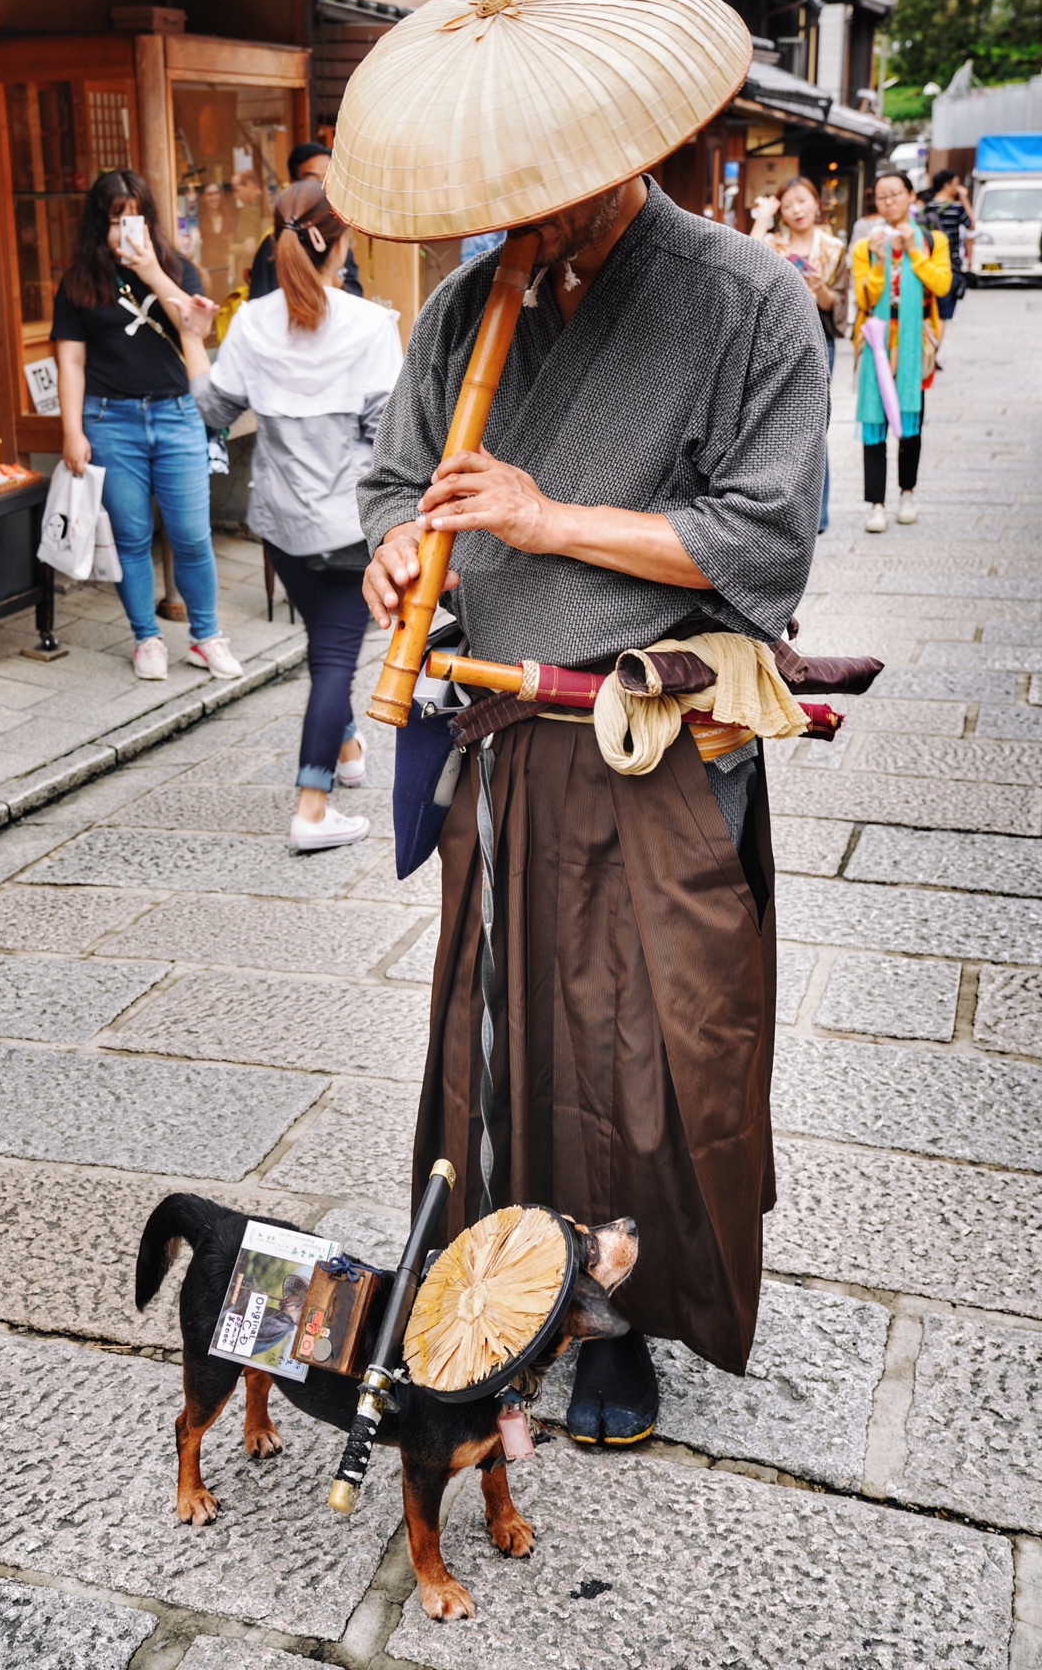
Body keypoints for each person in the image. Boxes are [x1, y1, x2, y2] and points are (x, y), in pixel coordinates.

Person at [358, 156, 827, 1438]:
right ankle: (495, 1281)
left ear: (627, 147)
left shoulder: (744, 297)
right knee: (496, 1024)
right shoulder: (467, 305)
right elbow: (396, 480)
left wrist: (541, 516)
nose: (524, 205)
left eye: (551, 179)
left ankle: (619, 1315)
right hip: (502, 731)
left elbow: (761, 537)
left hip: (650, 732)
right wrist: (398, 550)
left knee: (642, 1048)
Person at [185, 180, 403, 850]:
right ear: (340, 243)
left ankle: (346, 753)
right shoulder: (371, 326)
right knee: (336, 661)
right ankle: (312, 808)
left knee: (325, 650)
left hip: (280, 525)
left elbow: (213, 410)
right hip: (347, 525)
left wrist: (195, 337)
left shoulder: (250, 322)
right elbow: (389, 436)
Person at [52, 169, 243, 683]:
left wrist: (154, 271)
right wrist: (73, 431)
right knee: (133, 536)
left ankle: (206, 637)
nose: (125, 229)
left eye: (134, 217)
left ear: (150, 221)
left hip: (177, 415)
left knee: (191, 535)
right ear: (99, 224)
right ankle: (146, 638)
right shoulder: (77, 283)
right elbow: (69, 362)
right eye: (115, 219)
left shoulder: (179, 270)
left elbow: (195, 328)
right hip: (109, 419)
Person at [851, 167, 952, 533]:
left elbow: (942, 286)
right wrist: (879, 261)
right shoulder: (867, 246)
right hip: (878, 339)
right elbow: (864, 297)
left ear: (911, 196)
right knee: (873, 421)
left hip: (914, 343)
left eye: (896, 194)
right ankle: (876, 503)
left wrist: (912, 250)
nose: (889, 202)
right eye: (882, 196)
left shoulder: (931, 240)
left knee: (912, 416)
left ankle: (907, 492)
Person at [750, 177, 848, 532]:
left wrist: (820, 290)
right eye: (787, 205)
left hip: (820, 340)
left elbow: (839, 306)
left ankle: (816, 515)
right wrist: (764, 217)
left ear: (816, 204)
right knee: (775, 427)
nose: (796, 210)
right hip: (775, 340)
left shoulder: (834, 248)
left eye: (802, 201)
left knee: (813, 426)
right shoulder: (774, 245)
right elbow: (743, 256)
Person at [248, 144, 364, 300]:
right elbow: (260, 306)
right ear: (294, 183)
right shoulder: (274, 242)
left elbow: (356, 296)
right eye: (312, 180)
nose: (322, 188)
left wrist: (336, 274)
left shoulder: (335, 235)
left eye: (327, 179)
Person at [923, 169, 975, 326]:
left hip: (927, 264)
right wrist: (964, 198)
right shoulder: (956, 208)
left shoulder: (927, 208)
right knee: (942, 315)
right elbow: (972, 226)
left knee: (927, 313)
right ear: (946, 186)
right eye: (956, 183)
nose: (958, 187)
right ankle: (934, 348)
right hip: (950, 265)